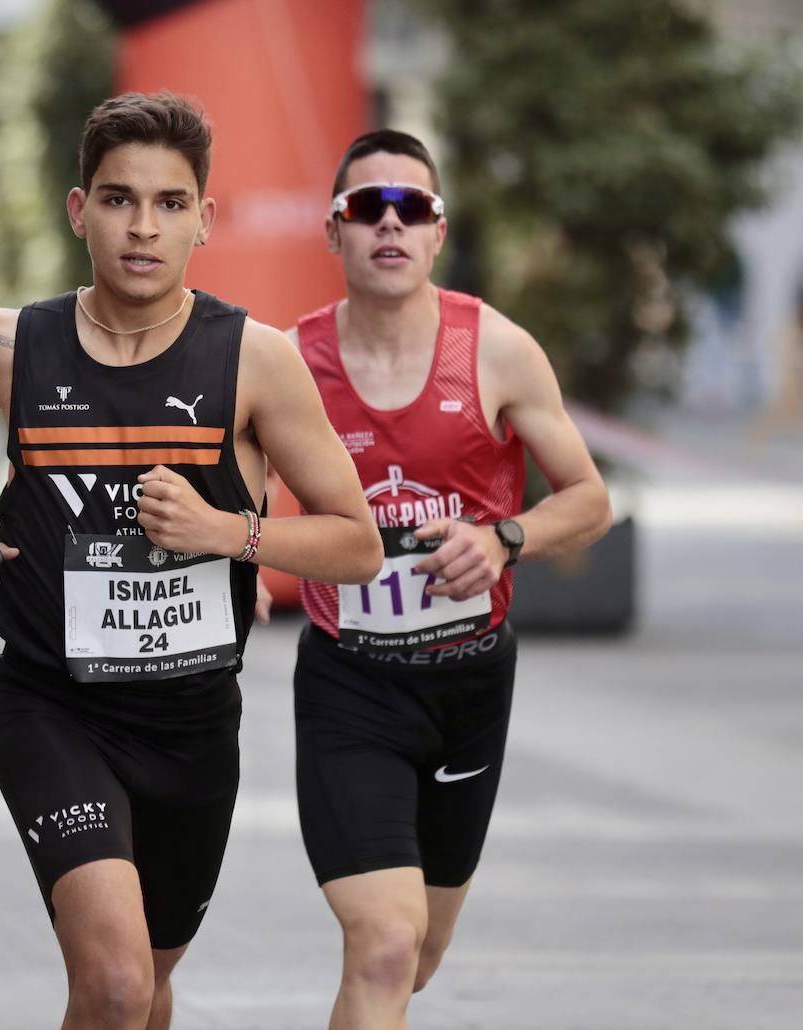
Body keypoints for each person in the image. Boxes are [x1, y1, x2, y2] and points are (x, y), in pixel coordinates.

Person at [0, 92, 382, 1030]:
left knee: (146, 990)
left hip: (192, 727)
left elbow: (357, 543)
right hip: (51, 707)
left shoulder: (254, 361)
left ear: (204, 219)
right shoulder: (9, 345)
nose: (142, 227)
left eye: (168, 203)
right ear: (80, 212)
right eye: (117, 200)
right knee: (111, 985)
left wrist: (227, 533)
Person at [284, 129, 613, 1028]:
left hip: (470, 683)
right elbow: (225, 506)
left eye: (413, 208)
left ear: (438, 232)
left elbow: (590, 500)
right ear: (333, 231)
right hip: (351, 685)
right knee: (384, 943)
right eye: (366, 208)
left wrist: (506, 537)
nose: (389, 224)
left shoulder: (499, 351)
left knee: (417, 955)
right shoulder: (284, 365)